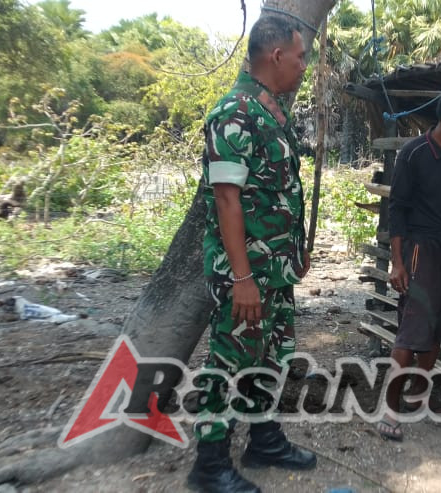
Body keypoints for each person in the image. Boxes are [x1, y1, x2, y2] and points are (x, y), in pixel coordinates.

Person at [188, 16, 316, 493]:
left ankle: (263, 438)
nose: (304, 66)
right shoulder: (235, 113)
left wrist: (294, 250)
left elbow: (279, 192)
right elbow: (226, 199)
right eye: (300, 56)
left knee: (272, 355)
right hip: (245, 272)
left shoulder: (270, 111)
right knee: (229, 359)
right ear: (276, 55)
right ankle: (209, 464)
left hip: (274, 267)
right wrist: (242, 277)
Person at [379, 82, 441, 441]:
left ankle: (419, 395)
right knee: (411, 331)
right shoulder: (413, 154)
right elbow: (397, 208)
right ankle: (390, 408)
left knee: (437, 328)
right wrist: (398, 262)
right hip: (420, 251)